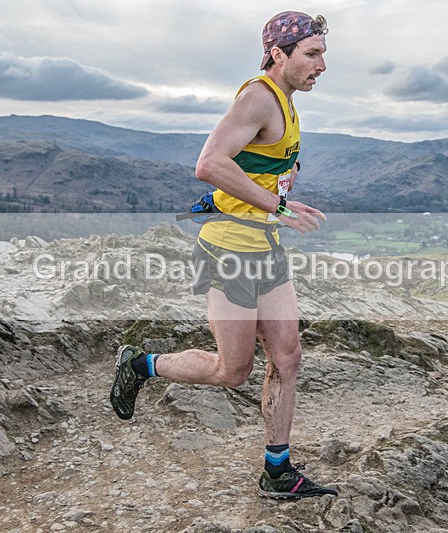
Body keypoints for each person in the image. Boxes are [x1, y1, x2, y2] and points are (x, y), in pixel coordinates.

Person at [110, 12, 336, 499]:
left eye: (323, 54)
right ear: (279, 54)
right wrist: (276, 202)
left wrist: (283, 174)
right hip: (231, 252)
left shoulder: (287, 102)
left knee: (287, 357)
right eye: (312, 54)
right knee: (232, 371)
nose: (322, 65)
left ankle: (277, 472)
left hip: (266, 248)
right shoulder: (258, 96)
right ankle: (139, 365)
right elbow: (209, 163)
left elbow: (258, 159)